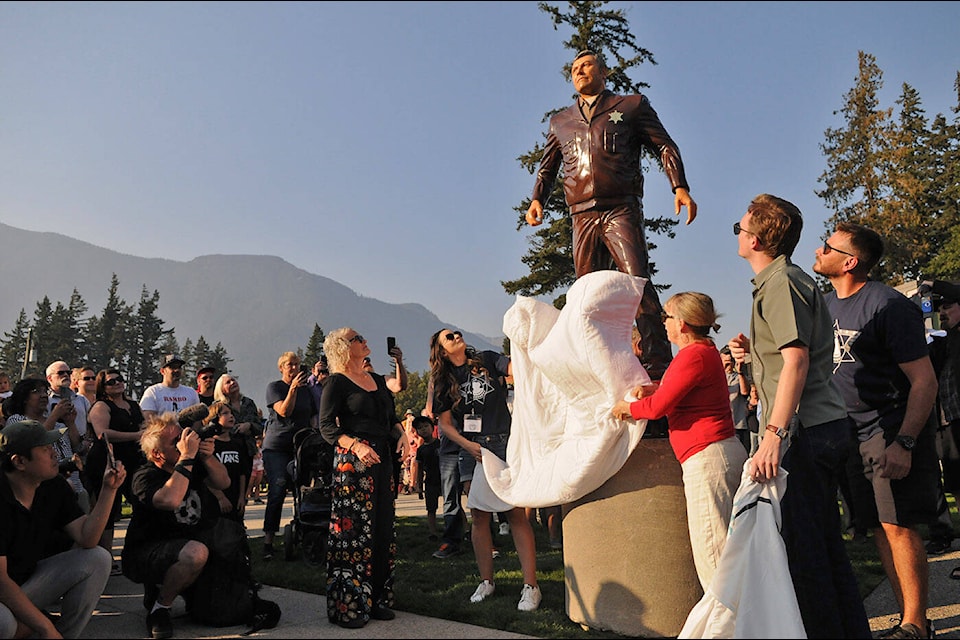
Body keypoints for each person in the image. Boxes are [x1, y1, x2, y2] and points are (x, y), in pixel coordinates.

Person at [727, 193, 870, 638]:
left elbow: (797, 361)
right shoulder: (787, 280)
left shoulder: (780, 283)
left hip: (803, 432)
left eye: (739, 227)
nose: (738, 234)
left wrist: (773, 433)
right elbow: (789, 357)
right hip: (818, 426)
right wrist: (753, 360)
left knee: (806, 555)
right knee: (824, 547)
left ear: (755, 238)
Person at [526, 49, 697, 380]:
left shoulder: (630, 106)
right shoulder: (560, 121)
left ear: (603, 71)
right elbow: (547, 168)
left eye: (587, 65)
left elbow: (664, 145)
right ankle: (594, 367)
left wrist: (679, 186)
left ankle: (657, 365)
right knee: (586, 295)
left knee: (636, 282)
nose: (580, 71)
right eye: (574, 68)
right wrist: (537, 199)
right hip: (581, 215)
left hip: (621, 207)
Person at [813, 221, 939, 639]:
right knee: (880, 528)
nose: (819, 250)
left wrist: (904, 442)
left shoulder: (888, 305)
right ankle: (907, 617)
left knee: (899, 525)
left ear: (850, 261)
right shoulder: (823, 304)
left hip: (885, 429)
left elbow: (925, 381)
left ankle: (917, 625)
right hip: (846, 433)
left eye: (828, 246)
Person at [611, 292, 747, 591]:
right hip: (717, 453)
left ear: (682, 324)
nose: (665, 323)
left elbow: (658, 408)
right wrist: (655, 388)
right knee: (722, 546)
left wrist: (626, 409)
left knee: (712, 551)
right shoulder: (704, 350)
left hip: (707, 458)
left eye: (668, 317)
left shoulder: (691, 355)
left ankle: (724, 626)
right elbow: (680, 388)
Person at [429, 328, 542, 612]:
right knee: (479, 515)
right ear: (442, 351)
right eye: (449, 337)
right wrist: (467, 446)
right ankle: (486, 581)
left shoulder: (488, 360)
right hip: (472, 450)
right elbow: (445, 425)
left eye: (456, 333)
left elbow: (518, 368)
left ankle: (531, 586)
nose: (456, 336)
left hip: (503, 443)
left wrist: (524, 341)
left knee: (514, 512)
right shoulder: (444, 381)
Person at [0, 419, 125, 639]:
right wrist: (45, 626)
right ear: (19, 461)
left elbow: (87, 538)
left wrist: (109, 489)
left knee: (97, 558)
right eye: (45, 449)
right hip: (3, 591)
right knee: (5, 624)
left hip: (25, 584)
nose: (55, 454)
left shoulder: (52, 485)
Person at [319, 327, 409, 629]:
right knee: (354, 532)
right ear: (344, 348)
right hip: (353, 462)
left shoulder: (375, 380)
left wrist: (403, 437)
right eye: (357, 338)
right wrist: (355, 445)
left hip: (382, 459)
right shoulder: (336, 382)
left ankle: (378, 599)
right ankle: (351, 604)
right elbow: (326, 427)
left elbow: (390, 418)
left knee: (382, 526)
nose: (364, 340)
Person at [120, 410, 231, 640]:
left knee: (215, 605)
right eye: (176, 442)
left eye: (183, 437)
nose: (183, 444)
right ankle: (160, 608)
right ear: (157, 454)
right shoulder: (144, 475)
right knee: (195, 553)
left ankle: (175, 589)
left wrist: (208, 457)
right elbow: (169, 500)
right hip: (147, 551)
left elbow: (223, 482)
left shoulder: (191, 463)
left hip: (187, 540)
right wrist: (187, 457)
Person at [87, 368, 146, 575]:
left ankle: (138, 551)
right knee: (108, 511)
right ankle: (106, 557)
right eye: (111, 382)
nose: (117, 383)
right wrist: (136, 435)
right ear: (103, 387)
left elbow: (145, 426)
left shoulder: (132, 405)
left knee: (142, 503)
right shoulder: (101, 406)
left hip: (134, 461)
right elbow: (102, 433)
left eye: (120, 379)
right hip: (106, 461)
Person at [261, 351, 316, 560]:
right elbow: (284, 411)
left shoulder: (307, 391)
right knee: (278, 487)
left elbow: (311, 417)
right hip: (277, 447)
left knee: (305, 490)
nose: (294, 368)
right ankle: (268, 541)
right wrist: (292, 389)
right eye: (289, 365)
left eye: (296, 364)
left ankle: (304, 533)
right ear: (281, 368)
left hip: (300, 446)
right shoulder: (275, 387)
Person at [3, 377, 87, 513]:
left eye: (45, 391)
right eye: (36, 392)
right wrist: (54, 416)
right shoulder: (18, 420)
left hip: (75, 487)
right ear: (24, 398)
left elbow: (76, 448)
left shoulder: (59, 425)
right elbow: (34, 440)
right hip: (45, 488)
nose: (43, 395)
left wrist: (70, 423)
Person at [920, 279, 960, 557]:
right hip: (945, 423)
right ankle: (942, 534)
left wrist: (933, 284)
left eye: (948, 307)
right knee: (956, 485)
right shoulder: (940, 341)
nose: (942, 313)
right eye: (939, 308)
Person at [204, 401, 251, 523]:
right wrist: (220, 497)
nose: (231, 416)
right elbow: (205, 476)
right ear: (214, 419)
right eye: (225, 413)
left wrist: (242, 497)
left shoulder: (237, 443)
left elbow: (242, 473)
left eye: (231, 413)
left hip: (235, 497)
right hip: (216, 500)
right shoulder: (209, 445)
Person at [213, 373, 262, 462]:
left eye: (233, 380)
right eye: (228, 382)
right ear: (221, 390)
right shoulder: (218, 406)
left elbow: (259, 427)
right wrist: (237, 429)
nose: (232, 383)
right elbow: (215, 429)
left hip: (249, 452)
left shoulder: (248, 403)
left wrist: (249, 425)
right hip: (228, 452)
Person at [140, 354, 200, 421]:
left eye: (179, 367)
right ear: (162, 371)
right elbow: (148, 421)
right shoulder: (153, 392)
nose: (177, 370)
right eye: (173, 367)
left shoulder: (191, 393)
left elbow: (197, 421)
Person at [414, 414, 442, 540]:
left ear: (432, 427)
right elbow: (419, 469)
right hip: (430, 481)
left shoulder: (441, 444)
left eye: (426, 426)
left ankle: (464, 529)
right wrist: (419, 486)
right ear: (417, 432)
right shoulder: (421, 450)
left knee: (454, 503)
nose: (424, 429)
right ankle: (433, 532)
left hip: (444, 478)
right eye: (420, 428)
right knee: (431, 508)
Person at [720, 346, 751, 452]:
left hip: (738, 424)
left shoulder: (739, 377)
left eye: (731, 360)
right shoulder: (715, 377)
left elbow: (745, 392)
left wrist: (740, 372)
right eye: (725, 361)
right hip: (722, 426)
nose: (729, 363)